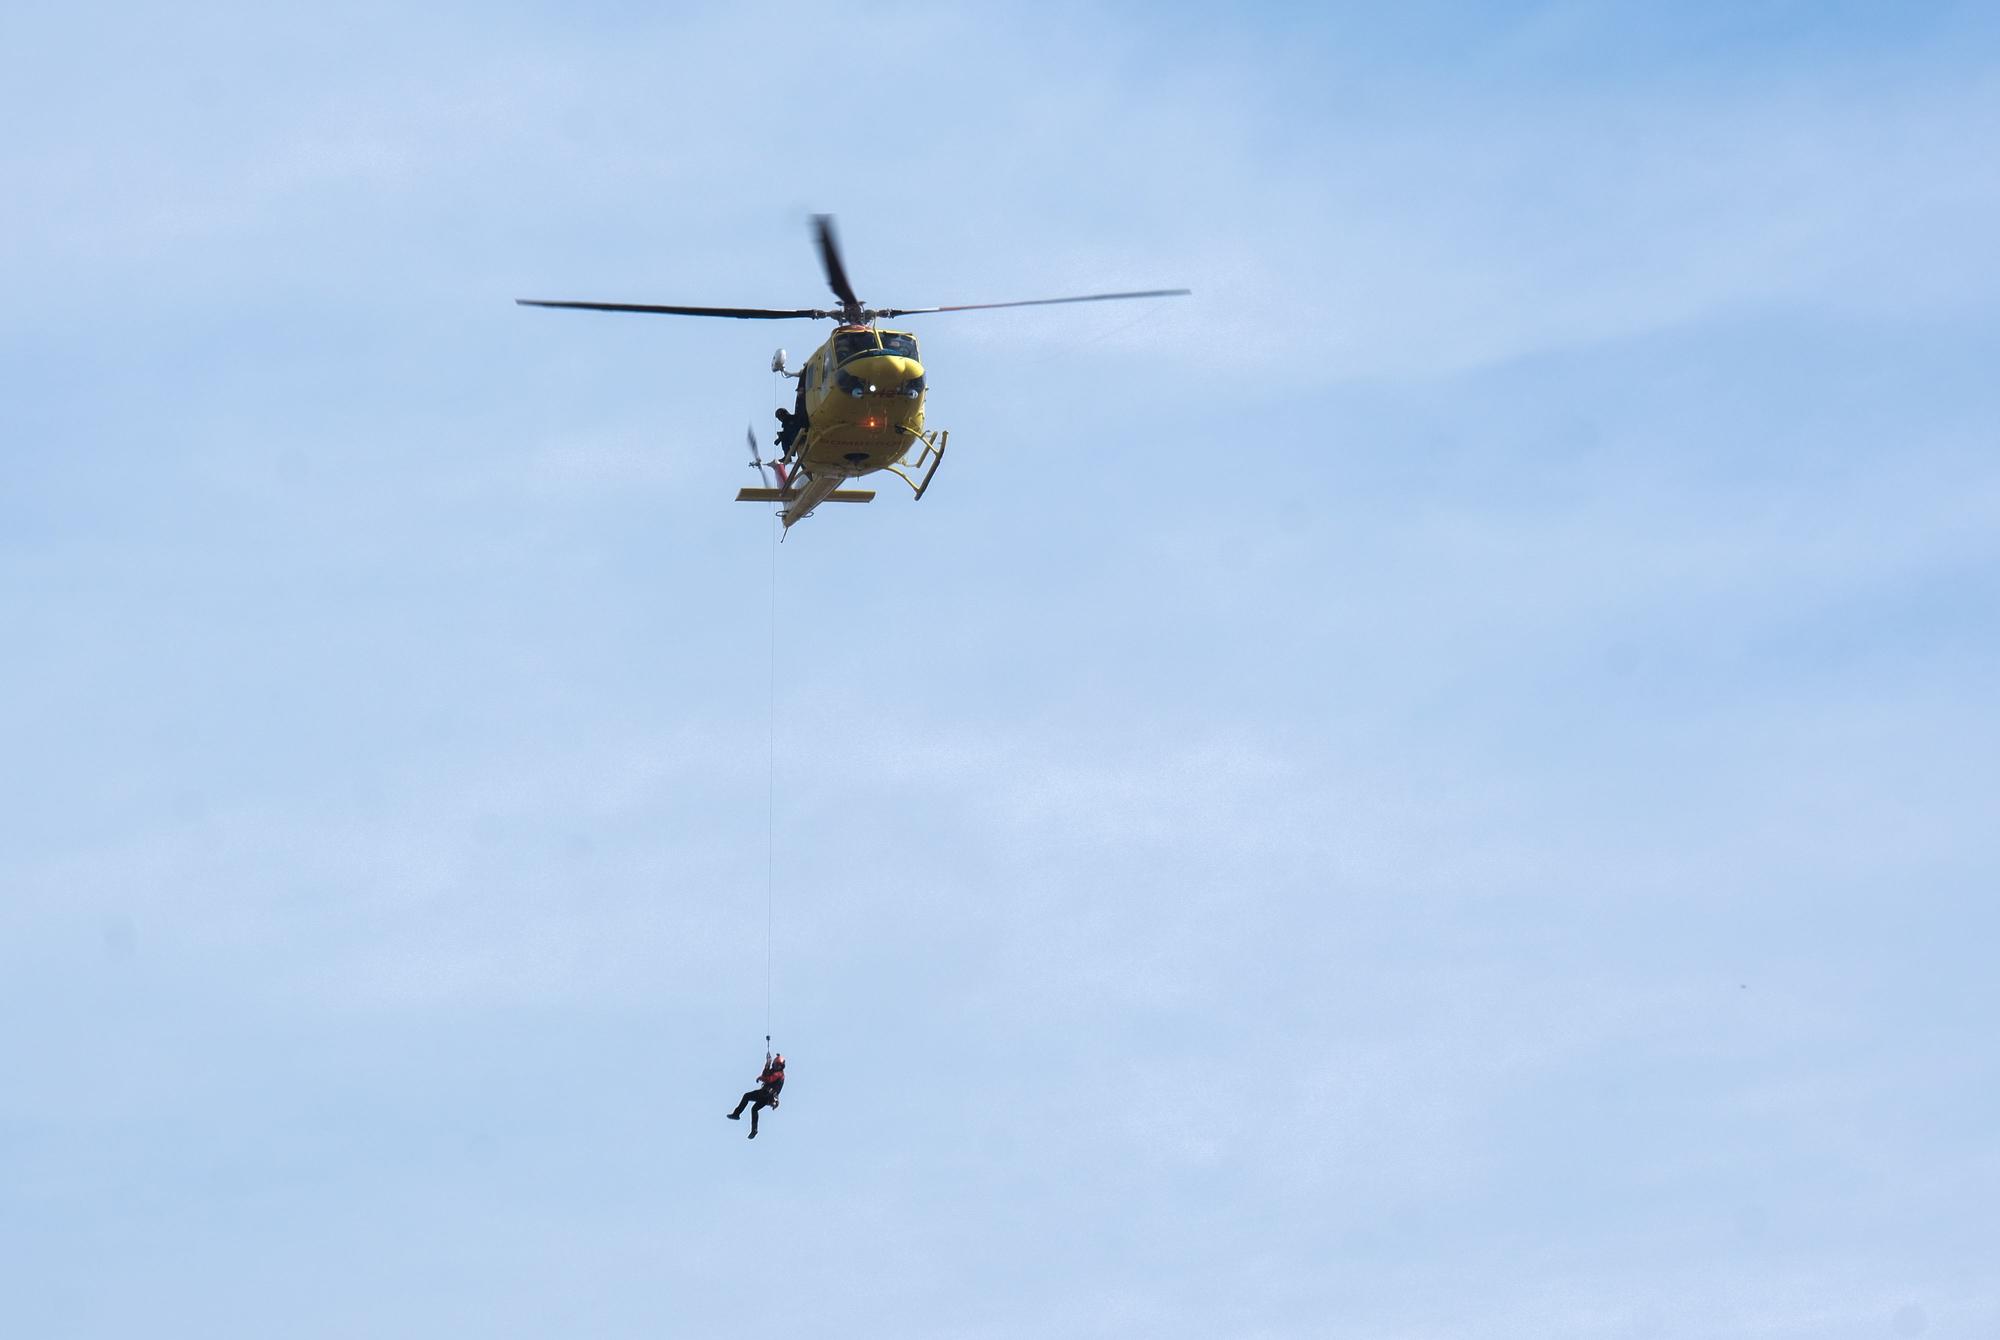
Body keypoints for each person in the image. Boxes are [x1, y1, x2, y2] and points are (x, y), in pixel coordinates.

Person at [727, 1052, 785, 1139]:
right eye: (776, 1065)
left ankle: (736, 1114)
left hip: (767, 1095)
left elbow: (769, 1079)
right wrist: (767, 1065)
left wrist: (761, 1078)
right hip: (766, 1096)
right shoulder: (775, 1072)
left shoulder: (779, 1074)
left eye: (779, 1066)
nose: (777, 1067)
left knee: (747, 1096)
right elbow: (765, 1074)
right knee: (754, 1109)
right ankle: (754, 1130)